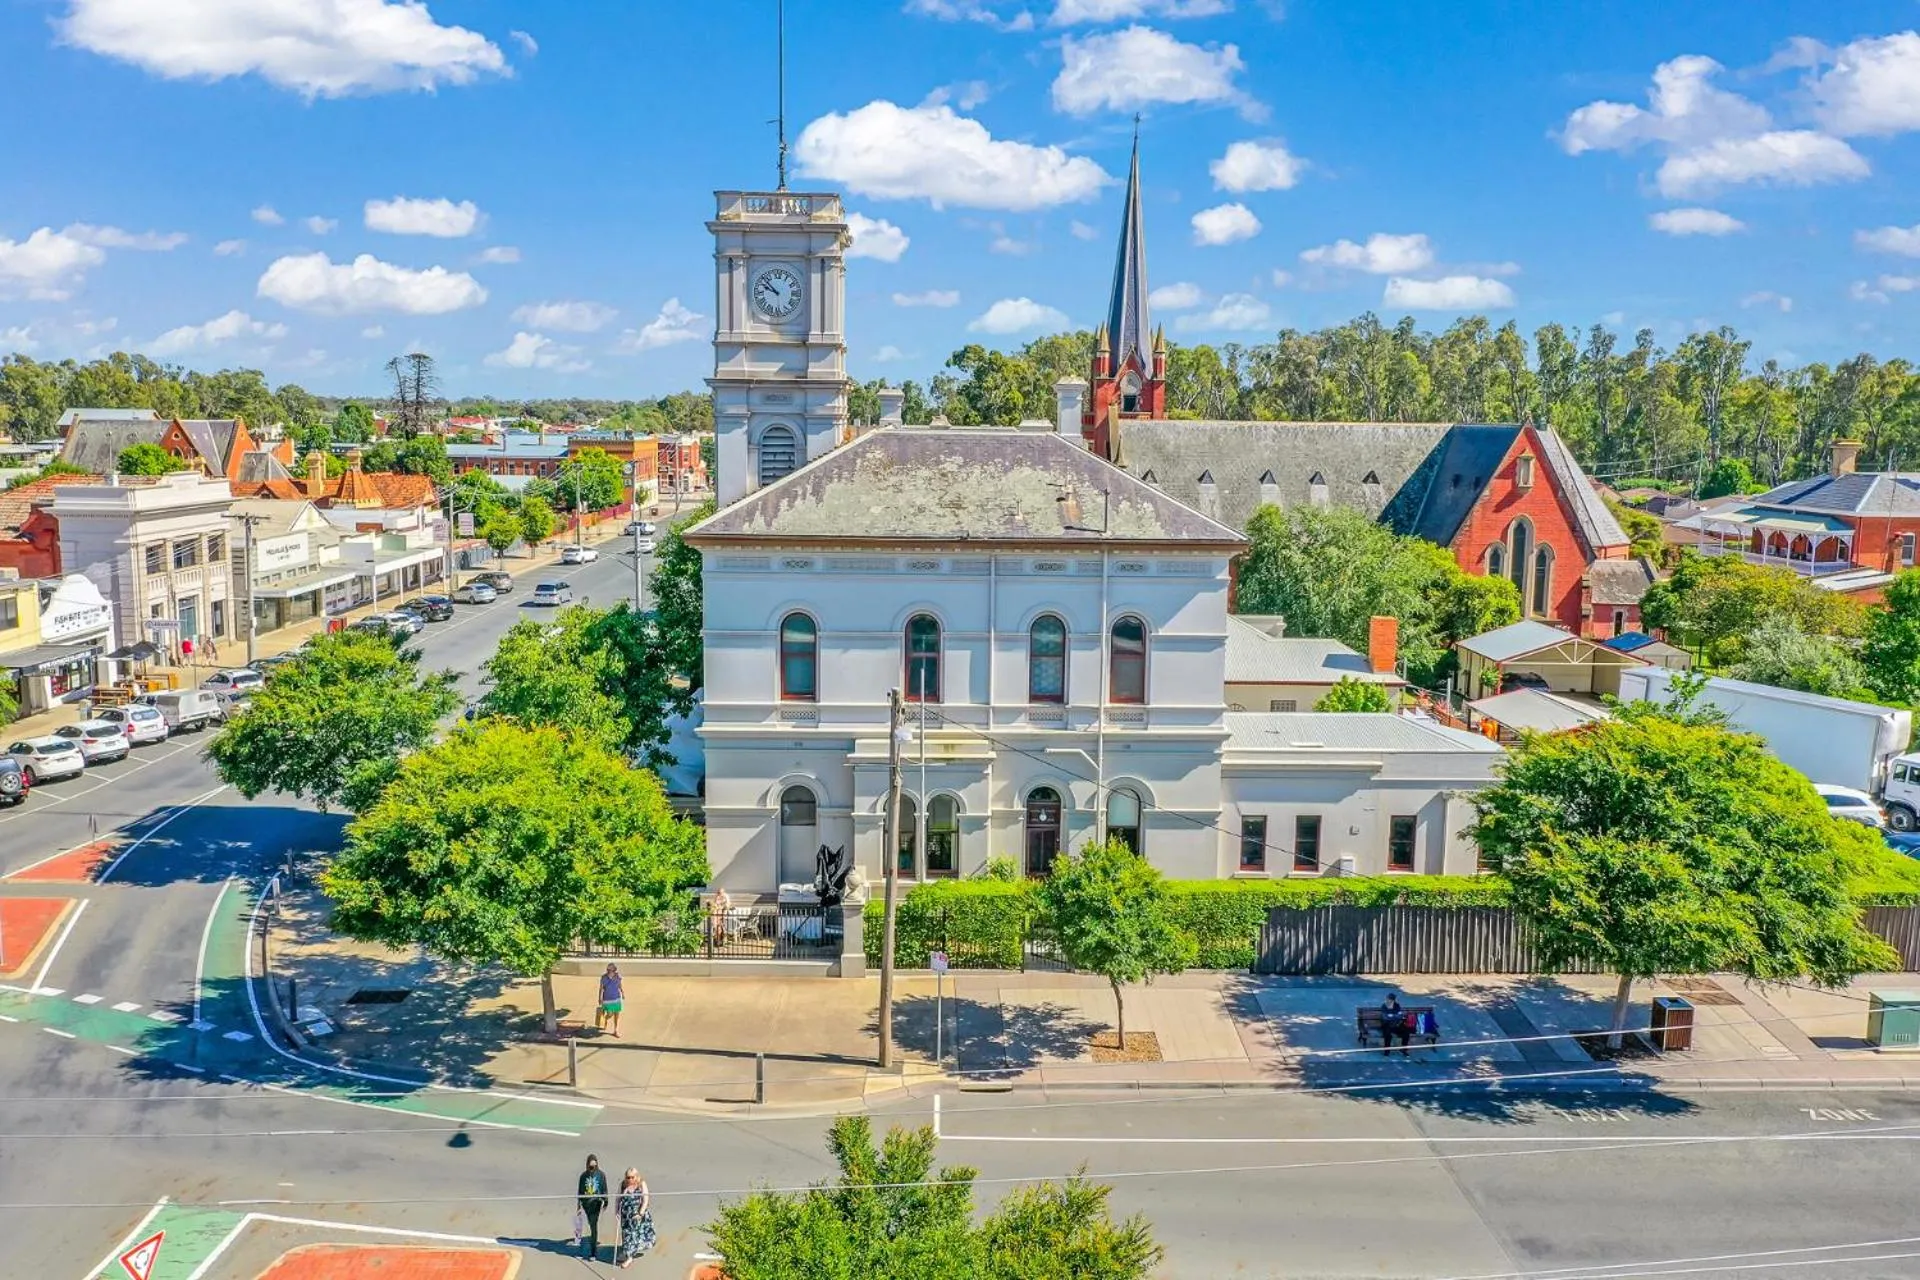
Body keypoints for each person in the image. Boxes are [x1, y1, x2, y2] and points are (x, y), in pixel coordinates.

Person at [615, 1167, 656, 1268]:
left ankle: (629, 1258)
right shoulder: (623, 1184)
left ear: (636, 1176)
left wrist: (640, 1213)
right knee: (626, 1235)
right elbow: (617, 1199)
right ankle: (626, 1252)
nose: (630, 1180)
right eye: (628, 1177)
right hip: (626, 1215)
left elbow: (645, 1199)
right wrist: (616, 1211)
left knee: (633, 1236)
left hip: (637, 1215)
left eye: (632, 1177)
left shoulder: (641, 1183)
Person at [576, 1154, 609, 1260]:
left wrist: (605, 1201)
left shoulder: (601, 1175)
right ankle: (581, 1249)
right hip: (585, 1204)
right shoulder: (583, 1176)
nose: (592, 1169)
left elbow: (604, 1188)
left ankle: (593, 1252)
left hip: (596, 1203)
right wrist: (579, 1204)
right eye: (590, 1167)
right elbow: (580, 1191)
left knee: (593, 1226)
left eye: (594, 1167)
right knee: (582, 1226)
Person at [597, 964, 625, 1036]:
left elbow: (620, 985)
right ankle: (605, 1019)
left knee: (617, 1014)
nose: (608, 971)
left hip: (616, 998)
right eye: (608, 970)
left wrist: (622, 993)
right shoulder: (604, 977)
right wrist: (599, 998)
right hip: (607, 999)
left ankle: (616, 1030)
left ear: (614, 970)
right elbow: (601, 988)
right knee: (610, 1014)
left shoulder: (618, 976)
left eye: (610, 970)